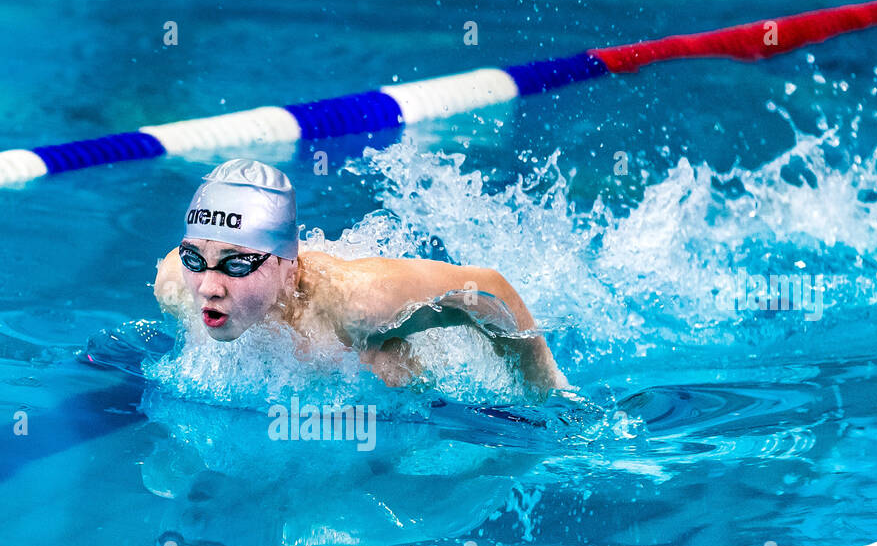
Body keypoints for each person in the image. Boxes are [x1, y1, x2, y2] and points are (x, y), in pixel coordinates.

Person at [153, 158, 570, 393]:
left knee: (385, 369)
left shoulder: (359, 304)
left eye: (236, 263)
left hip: (383, 373)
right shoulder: (176, 286)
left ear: (287, 263)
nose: (208, 286)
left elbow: (488, 289)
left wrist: (546, 392)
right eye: (195, 258)